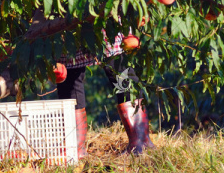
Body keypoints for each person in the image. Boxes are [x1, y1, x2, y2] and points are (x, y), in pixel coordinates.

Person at [56, 28, 155, 156]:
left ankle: (140, 142)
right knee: (69, 73)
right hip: (68, 27)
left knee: (120, 70)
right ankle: (73, 149)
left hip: (103, 20)